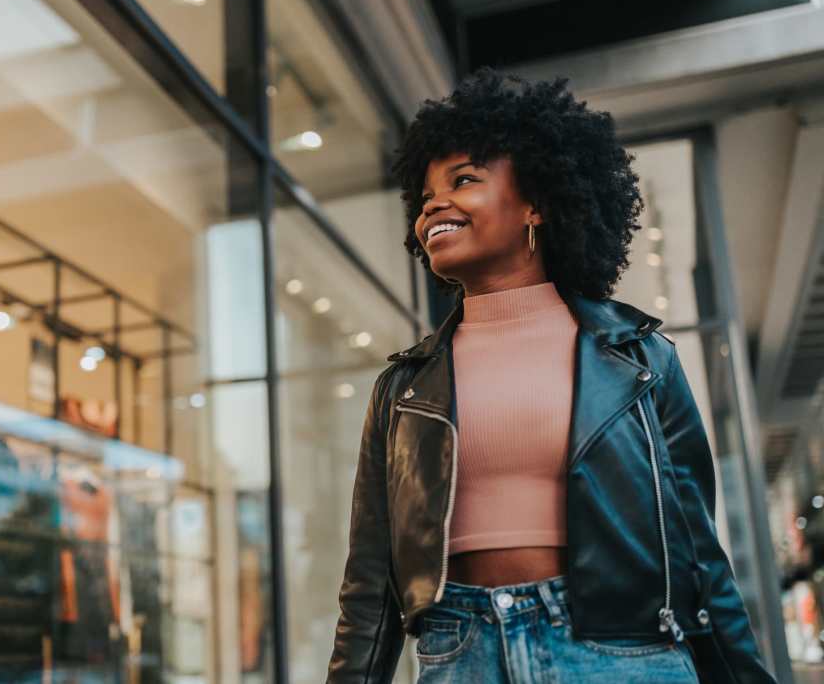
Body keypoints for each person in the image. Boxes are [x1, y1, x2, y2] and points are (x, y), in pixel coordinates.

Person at [327, 68, 776, 683]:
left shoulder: (641, 362)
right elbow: (370, 582)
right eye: (425, 193)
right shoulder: (402, 389)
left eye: (464, 180)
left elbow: (697, 551)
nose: (434, 202)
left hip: (620, 653)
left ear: (535, 202)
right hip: (460, 653)